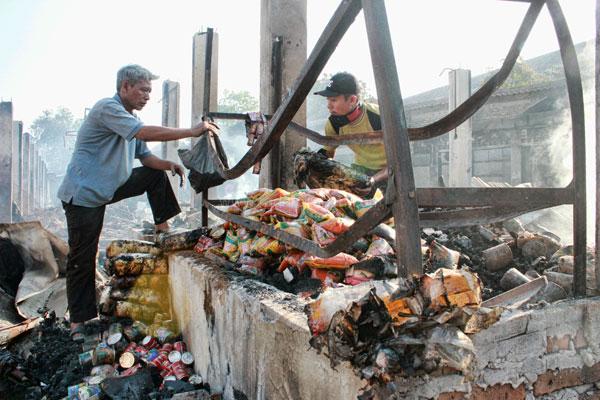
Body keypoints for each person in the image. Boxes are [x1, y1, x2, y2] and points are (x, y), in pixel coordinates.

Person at [57, 64, 217, 341]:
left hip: (108, 187)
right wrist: (191, 132)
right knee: (83, 257)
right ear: (124, 87)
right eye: (142, 90)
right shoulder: (108, 109)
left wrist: (168, 164)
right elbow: (143, 133)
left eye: (149, 92)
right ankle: (78, 323)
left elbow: (146, 158)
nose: (146, 96)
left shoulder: (128, 118)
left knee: (154, 174)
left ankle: (164, 231)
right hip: (84, 196)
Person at [314, 72, 388, 196]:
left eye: (334, 100)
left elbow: (400, 161)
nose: (328, 105)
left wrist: (373, 180)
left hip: (389, 171)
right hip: (361, 170)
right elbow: (328, 153)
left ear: (352, 100)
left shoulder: (378, 117)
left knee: (391, 207)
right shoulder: (333, 124)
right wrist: (314, 163)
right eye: (328, 100)